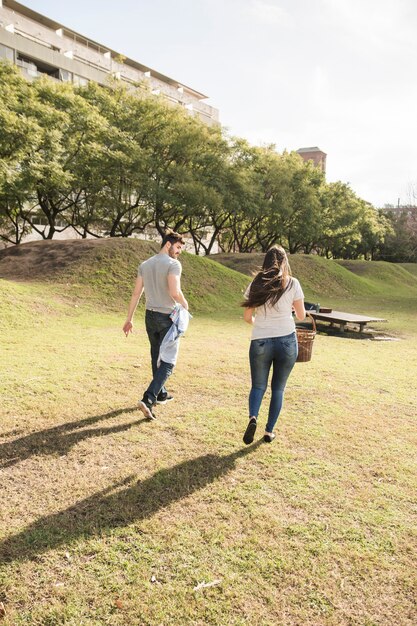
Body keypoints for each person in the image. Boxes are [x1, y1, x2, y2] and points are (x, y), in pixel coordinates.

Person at [241, 245, 305, 444]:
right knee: (278, 388)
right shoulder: (293, 283)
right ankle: (269, 431)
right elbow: (301, 315)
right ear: (285, 262)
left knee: (258, 386)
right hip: (286, 339)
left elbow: (247, 316)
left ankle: (253, 417)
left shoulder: (256, 283)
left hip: (260, 339)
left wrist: (259, 325)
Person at [123, 229, 189, 420]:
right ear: (168, 244)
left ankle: (161, 393)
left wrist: (129, 319)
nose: (178, 252)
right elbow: (175, 292)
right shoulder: (173, 265)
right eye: (177, 247)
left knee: (156, 356)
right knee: (168, 362)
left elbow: (136, 293)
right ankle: (149, 398)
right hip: (167, 317)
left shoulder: (145, 264)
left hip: (149, 316)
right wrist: (185, 305)